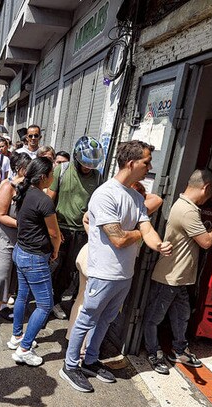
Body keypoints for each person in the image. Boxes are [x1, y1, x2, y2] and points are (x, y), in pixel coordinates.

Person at [61, 140, 172, 393]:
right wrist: (140, 235)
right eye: (146, 162)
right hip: (103, 272)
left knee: (107, 319)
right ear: (131, 163)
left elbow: (147, 228)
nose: (149, 167)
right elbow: (120, 238)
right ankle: (70, 365)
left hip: (124, 274)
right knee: (87, 318)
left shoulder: (134, 196)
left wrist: (159, 245)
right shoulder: (104, 194)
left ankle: (90, 360)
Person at [143, 170, 212, 374]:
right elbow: (206, 242)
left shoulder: (186, 207)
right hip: (170, 277)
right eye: (211, 192)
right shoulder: (187, 211)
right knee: (154, 318)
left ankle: (179, 350)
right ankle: (153, 353)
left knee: (181, 316)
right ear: (206, 188)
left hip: (180, 277)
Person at [66, 182, 164, 351]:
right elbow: (157, 199)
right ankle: (83, 350)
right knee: (96, 310)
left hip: (88, 254)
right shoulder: (133, 213)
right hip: (104, 264)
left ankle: (73, 341)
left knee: (83, 300)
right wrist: (140, 230)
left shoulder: (107, 204)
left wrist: (94, 236)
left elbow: (86, 218)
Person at [8, 157, 62, 366]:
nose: (53, 178)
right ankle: (24, 348)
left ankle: (17, 336)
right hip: (34, 257)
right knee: (45, 304)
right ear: (43, 177)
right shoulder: (44, 200)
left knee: (22, 295)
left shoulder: (24, 192)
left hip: (21, 251)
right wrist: (56, 250)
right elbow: (54, 233)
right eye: (51, 175)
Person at [45, 136, 106, 320]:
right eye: (85, 164)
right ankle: (43, 302)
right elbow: (49, 201)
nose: (88, 168)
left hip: (81, 232)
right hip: (60, 228)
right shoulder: (61, 171)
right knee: (51, 267)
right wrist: (52, 229)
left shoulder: (97, 177)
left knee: (69, 270)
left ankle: (55, 301)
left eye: (91, 165)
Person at [0, 153, 32, 333]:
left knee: (12, 276)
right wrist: (22, 224)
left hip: (21, 237)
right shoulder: (7, 186)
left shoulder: (30, 188)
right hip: (4, 235)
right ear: (21, 169)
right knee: (0, 273)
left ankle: (3, 307)